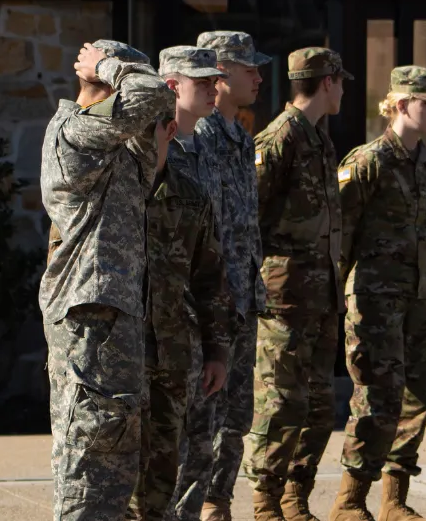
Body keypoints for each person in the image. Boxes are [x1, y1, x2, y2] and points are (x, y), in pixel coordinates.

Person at [40, 40, 175, 520]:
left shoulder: (118, 146)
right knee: (87, 470)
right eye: (119, 81)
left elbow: (155, 105)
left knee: (115, 470)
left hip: (116, 323)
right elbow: (153, 93)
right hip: (88, 324)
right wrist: (110, 66)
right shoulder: (74, 132)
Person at [329, 66, 426, 521]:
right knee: (375, 394)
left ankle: (394, 499)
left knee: (418, 392)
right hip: (374, 298)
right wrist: (336, 291)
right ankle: (350, 500)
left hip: (418, 295)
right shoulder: (367, 161)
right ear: (401, 105)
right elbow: (341, 232)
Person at [245, 47, 352, 521]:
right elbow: (252, 216)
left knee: (318, 405)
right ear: (327, 81)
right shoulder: (281, 137)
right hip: (284, 297)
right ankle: (266, 500)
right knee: (279, 400)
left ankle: (296, 496)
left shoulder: (320, 139)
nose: (344, 90)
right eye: (341, 81)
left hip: (320, 294)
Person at [126, 46, 233, 521]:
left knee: (171, 467)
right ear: (171, 87)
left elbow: (209, 271)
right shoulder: (121, 168)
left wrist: (217, 348)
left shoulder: (203, 159)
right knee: (121, 471)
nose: (215, 89)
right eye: (204, 81)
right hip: (122, 348)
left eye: (217, 81)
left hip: (175, 345)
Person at [170, 31, 269, 521]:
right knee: (201, 416)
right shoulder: (195, 137)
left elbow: (245, 223)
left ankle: (219, 503)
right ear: (221, 73)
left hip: (240, 296)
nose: (258, 76)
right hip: (208, 300)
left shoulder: (241, 137)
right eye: (248, 67)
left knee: (237, 415)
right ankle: (195, 504)